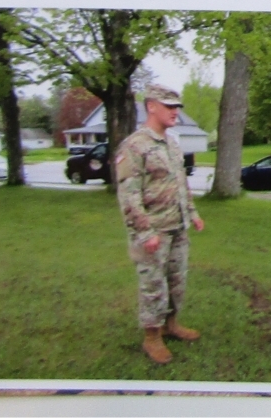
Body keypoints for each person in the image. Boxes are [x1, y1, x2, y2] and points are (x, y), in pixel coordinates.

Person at [115, 84, 204, 365]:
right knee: (153, 285)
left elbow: (181, 183)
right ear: (151, 106)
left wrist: (193, 213)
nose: (175, 112)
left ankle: (172, 324)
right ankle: (152, 337)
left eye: (177, 107)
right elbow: (128, 196)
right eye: (169, 106)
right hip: (153, 231)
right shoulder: (134, 146)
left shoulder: (172, 144)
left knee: (177, 281)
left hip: (177, 227)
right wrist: (145, 231)